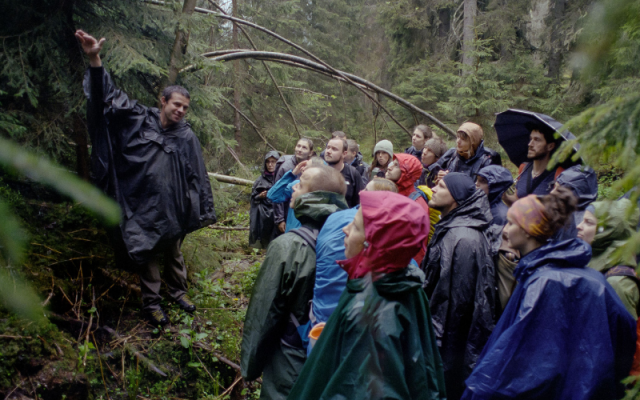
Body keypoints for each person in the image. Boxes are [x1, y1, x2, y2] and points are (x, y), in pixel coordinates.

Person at [77, 30, 216, 326]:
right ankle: (151, 304)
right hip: (141, 205)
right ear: (163, 100)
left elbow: (197, 175)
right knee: (148, 254)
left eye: (185, 108)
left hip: (174, 208)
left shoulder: (187, 136)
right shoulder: (139, 118)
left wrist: (198, 209)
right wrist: (95, 59)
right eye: (176, 104)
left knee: (174, 253)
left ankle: (179, 293)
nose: (180, 110)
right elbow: (107, 100)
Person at [462, 189, 637, 400]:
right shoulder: (567, 273)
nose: (505, 230)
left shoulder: (544, 282)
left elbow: (524, 361)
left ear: (528, 230)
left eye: (511, 223)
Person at [288, 191, 446, 400]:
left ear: (371, 244)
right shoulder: (404, 282)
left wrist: (357, 328)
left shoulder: (370, 314)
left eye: (354, 226)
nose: (344, 229)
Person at [241, 165, 349, 400]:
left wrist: (250, 366)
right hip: (335, 356)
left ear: (314, 197)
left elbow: (265, 312)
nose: (293, 188)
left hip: (290, 358)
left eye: (301, 184)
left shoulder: (288, 245)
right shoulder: (351, 238)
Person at [421, 172, 496, 400]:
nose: (433, 189)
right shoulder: (453, 226)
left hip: (450, 344)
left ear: (456, 196)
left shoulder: (464, 239)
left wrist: (439, 350)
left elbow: (459, 307)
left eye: (441, 186)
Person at [304, 178, 398, 353]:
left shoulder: (339, 219)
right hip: (330, 321)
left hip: (326, 322)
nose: (345, 230)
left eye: (368, 192)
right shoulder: (404, 269)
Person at [579, 200, 640, 320]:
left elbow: (623, 335)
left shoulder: (617, 283)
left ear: (607, 231)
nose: (579, 226)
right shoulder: (589, 259)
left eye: (588, 223)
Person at [502, 123, 564, 206]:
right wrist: (504, 196)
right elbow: (517, 200)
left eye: (537, 140)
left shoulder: (559, 174)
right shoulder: (524, 168)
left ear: (550, 146)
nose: (530, 144)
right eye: (530, 139)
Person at [267, 157, 325, 233]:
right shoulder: (295, 185)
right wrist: (292, 174)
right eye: (303, 166)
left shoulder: (323, 193)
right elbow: (272, 195)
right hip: (290, 235)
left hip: (307, 238)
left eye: (306, 167)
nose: (302, 169)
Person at [428, 122, 494, 182]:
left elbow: (483, 190)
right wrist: (439, 174)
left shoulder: (485, 162)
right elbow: (432, 173)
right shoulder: (452, 153)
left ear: (473, 142)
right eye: (458, 137)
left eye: (463, 139)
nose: (458, 141)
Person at [273, 138, 314, 233]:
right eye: (298, 146)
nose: (300, 149)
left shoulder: (313, 166)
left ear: (310, 152)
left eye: (304, 147)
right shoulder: (285, 167)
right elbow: (278, 192)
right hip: (288, 211)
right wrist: (280, 219)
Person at [550, 165, 598, 240]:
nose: (552, 193)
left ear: (574, 193)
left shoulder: (584, 223)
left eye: (559, 190)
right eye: (554, 187)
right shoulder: (558, 213)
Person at [249, 151, 280, 249]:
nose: (270, 165)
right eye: (268, 162)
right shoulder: (259, 180)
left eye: (273, 162)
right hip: (263, 217)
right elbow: (253, 199)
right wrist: (260, 196)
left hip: (278, 214)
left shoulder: (281, 178)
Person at [324, 137, 365, 207]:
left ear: (344, 154)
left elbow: (360, 202)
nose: (328, 151)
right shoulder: (318, 173)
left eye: (334, 149)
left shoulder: (353, 174)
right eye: (328, 147)